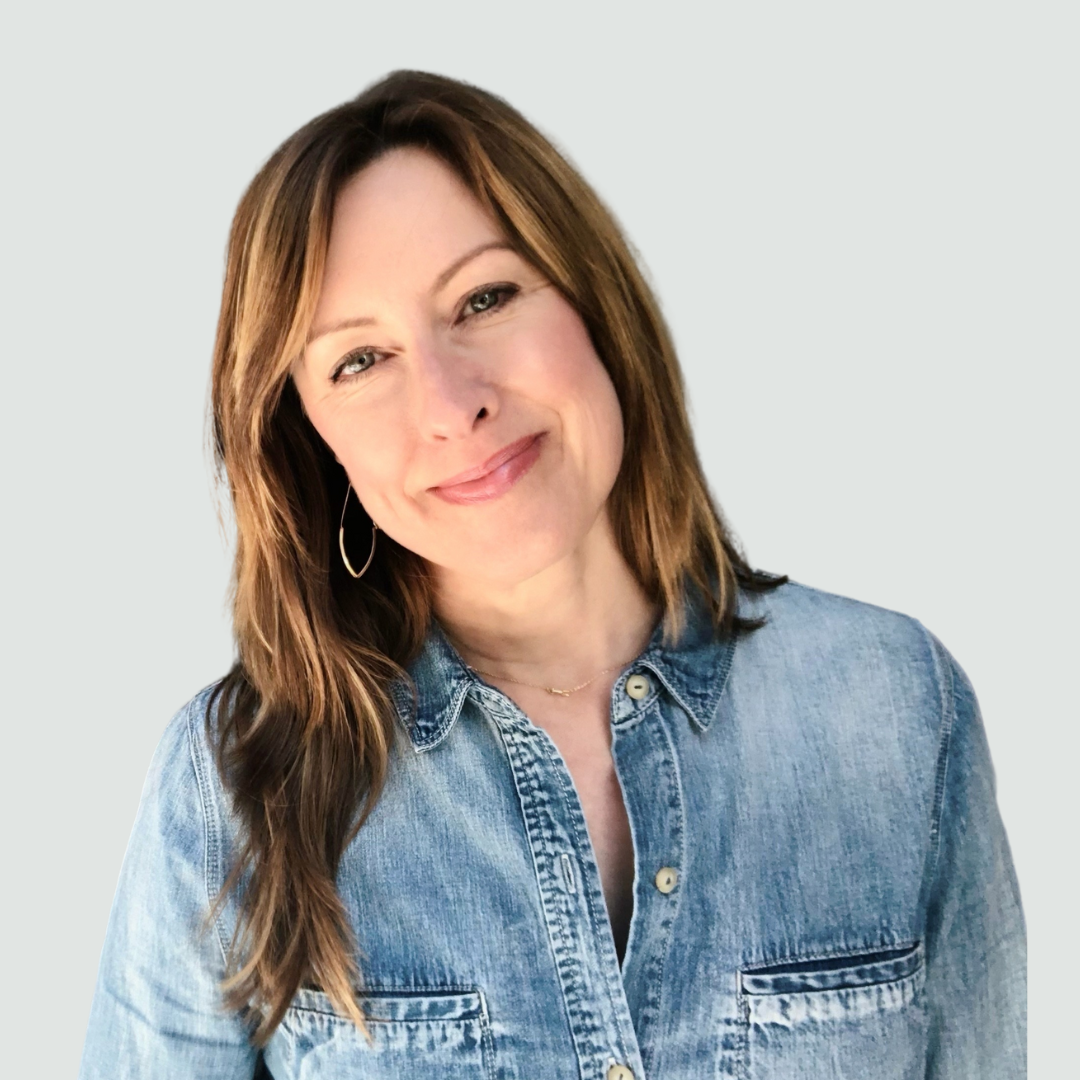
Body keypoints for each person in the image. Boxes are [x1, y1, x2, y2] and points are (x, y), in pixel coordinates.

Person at [78, 70, 1025, 1080]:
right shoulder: (231, 787)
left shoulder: (894, 708)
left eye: (484, 298)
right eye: (360, 361)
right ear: (313, 444)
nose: (450, 403)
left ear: (593, 303)